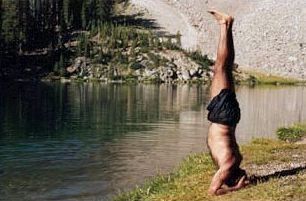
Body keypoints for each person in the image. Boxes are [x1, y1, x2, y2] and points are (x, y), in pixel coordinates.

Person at [206, 10, 249, 195]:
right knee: (221, 68)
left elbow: (215, 189)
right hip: (223, 117)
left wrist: (236, 184)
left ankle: (227, 25)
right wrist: (236, 188)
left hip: (227, 117)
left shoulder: (233, 162)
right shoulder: (229, 163)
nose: (220, 178)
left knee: (224, 68)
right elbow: (213, 192)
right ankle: (225, 24)